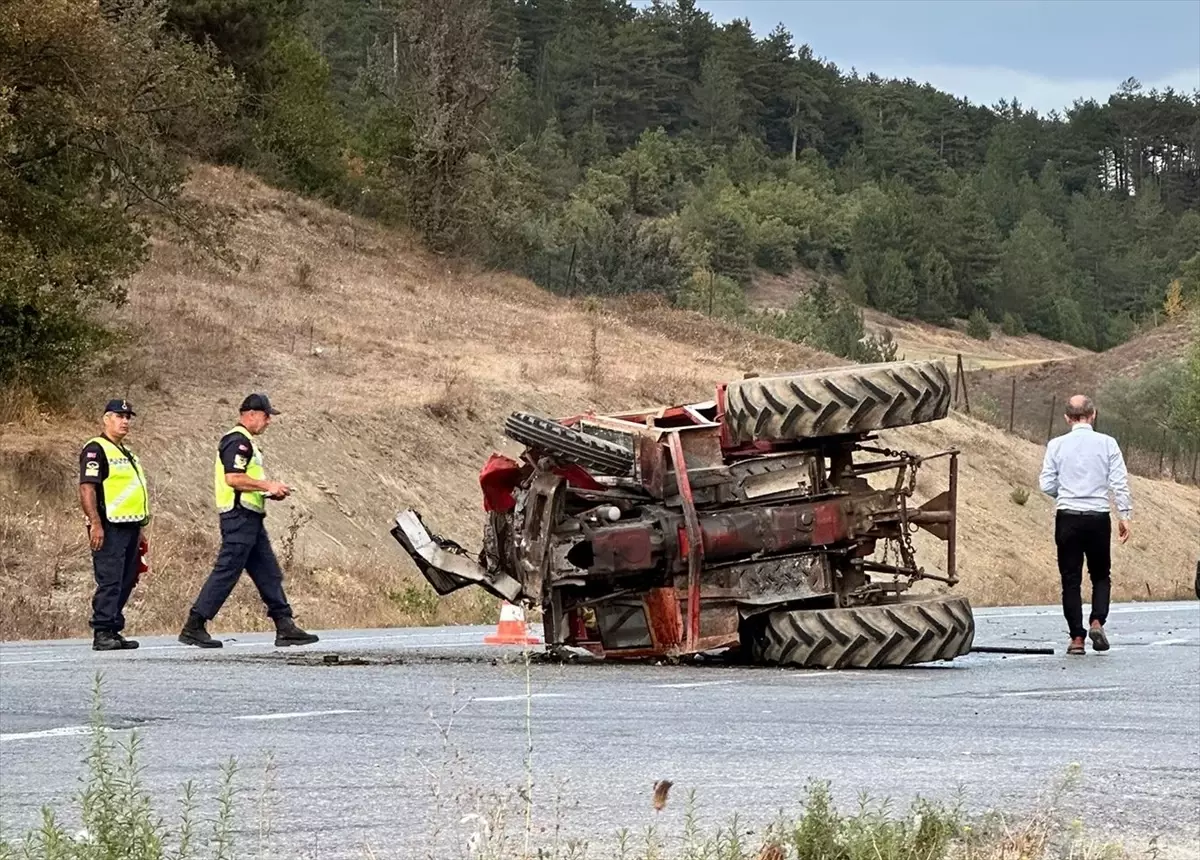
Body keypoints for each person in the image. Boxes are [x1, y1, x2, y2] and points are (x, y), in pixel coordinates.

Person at [178, 393, 318, 649]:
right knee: (227, 571)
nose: (268, 422)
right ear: (251, 414)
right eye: (266, 416)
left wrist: (268, 493)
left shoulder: (247, 442)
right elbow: (234, 478)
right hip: (238, 517)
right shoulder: (238, 441)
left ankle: (284, 624)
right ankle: (195, 624)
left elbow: (244, 482)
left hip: (250, 517)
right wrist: (268, 485)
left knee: (268, 572)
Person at [1039, 394, 1132, 656]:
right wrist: (1124, 515)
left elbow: (1046, 483)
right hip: (1098, 517)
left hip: (1068, 516)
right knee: (1101, 574)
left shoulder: (1056, 445)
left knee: (1070, 579)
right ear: (1093, 415)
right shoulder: (1107, 443)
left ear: (1067, 417)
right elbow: (1119, 482)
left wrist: (1066, 493)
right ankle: (1097, 621)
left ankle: (1077, 638)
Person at [79, 399, 150, 651]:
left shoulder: (126, 452)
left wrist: (140, 530)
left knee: (127, 578)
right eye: (119, 416)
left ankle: (113, 627)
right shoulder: (95, 449)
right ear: (106, 419)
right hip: (108, 526)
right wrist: (95, 523)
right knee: (109, 579)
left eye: (128, 417)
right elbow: (87, 487)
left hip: (130, 526)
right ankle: (102, 631)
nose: (125, 421)